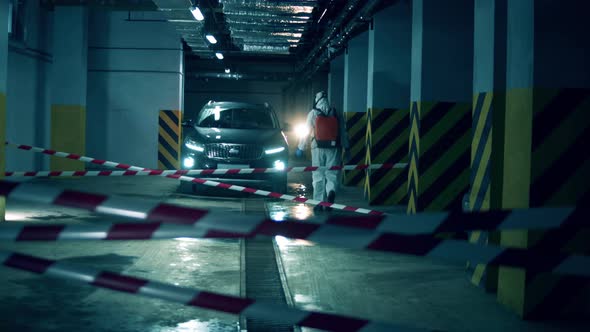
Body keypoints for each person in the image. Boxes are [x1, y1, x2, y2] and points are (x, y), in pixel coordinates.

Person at [295, 91, 350, 212]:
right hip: (334, 148)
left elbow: (306, 132)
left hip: (317, 148)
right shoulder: (336, 113)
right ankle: (331, 192)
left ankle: (318, 203)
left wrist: (301, 147)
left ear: (317, 100)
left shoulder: (313, 113)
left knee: (318, 175)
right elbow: (343, 132)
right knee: (332, 174)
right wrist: (346, 147)